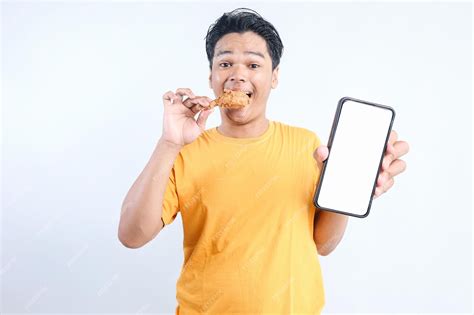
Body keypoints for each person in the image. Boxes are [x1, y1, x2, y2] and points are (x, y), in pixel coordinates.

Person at [118, 8, 409, 314]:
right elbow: (131, 235)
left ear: (274, 77)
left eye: (253, 64)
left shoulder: (306, 145)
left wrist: (349, 187)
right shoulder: (185, 151)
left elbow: (323, 244)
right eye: (225, 63)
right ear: (212, 77)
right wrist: (169, 143)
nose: (238, 74)